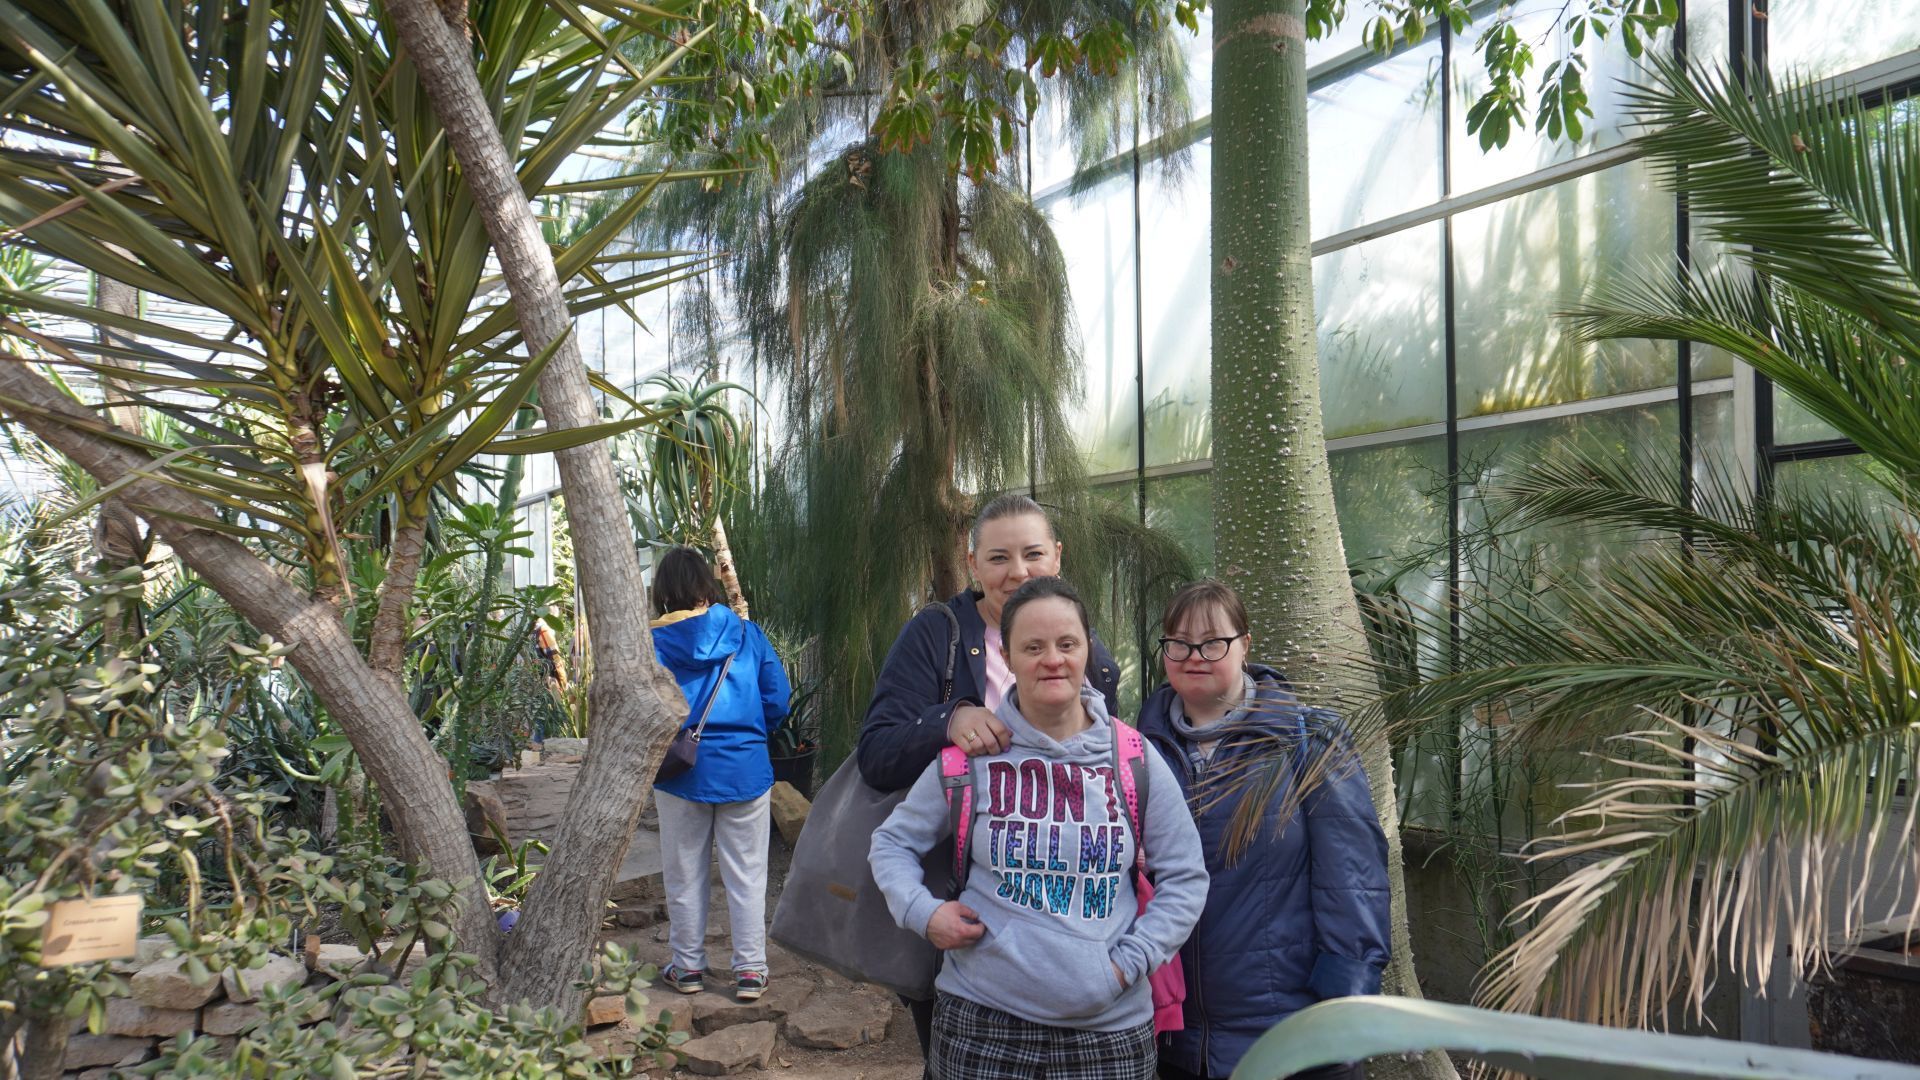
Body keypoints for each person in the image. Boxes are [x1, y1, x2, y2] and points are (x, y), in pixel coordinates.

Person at [869, 577, 1208, 1080]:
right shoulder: (974, 757)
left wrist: (1127, 964)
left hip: (1108, 1032)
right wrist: (923, 913)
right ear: (1007, 654)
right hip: (981, 1026)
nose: (1053, 659)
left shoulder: (1133, 757)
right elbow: (892, 842)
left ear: (1087, 648)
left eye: (1067, 644)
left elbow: (1186, 878)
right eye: (1033, 646)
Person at [856, 493, 1125, 1049]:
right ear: (972, 562)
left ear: (1057, 556)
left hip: (1069, 913)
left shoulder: (1087, 650)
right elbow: (877, 756)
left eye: (1032, 554)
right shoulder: (937, 634)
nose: (1018, 572)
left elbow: (1110, 772)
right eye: (999, 558)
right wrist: (948, 719)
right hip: (958, 904)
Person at [1139, 581, 1390, 1080]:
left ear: (1245, 644)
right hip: (1176, 1040)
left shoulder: (1307, 738)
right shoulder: (1136, 752)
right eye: (1179, 642)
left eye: (1213, 641)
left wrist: (1345, 1003)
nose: (1195, 655)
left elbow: (1352, 879)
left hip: (1293, 1035)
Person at [649, 546, 792, 1002]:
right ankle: (751, 971)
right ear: (706, 587)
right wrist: (748, 734)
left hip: (679, 773)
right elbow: (778, 700)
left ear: (662, 591)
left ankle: (687, 967)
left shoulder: (649, 646)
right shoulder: (746, 634)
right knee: (748, 874)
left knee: (683, 872)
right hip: (745, 769)